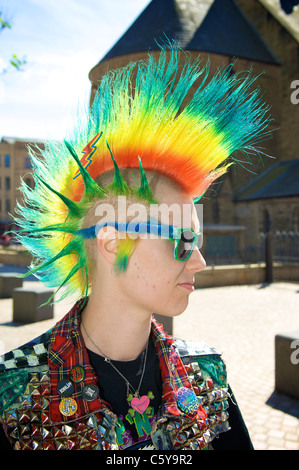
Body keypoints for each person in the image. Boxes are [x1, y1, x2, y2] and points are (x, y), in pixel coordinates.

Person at [0, 45, 270, 451]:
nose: (199, 261)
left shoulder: (207, 375)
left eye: (197, 239)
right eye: (180, 241)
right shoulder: (15, 391)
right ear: (112, 242)